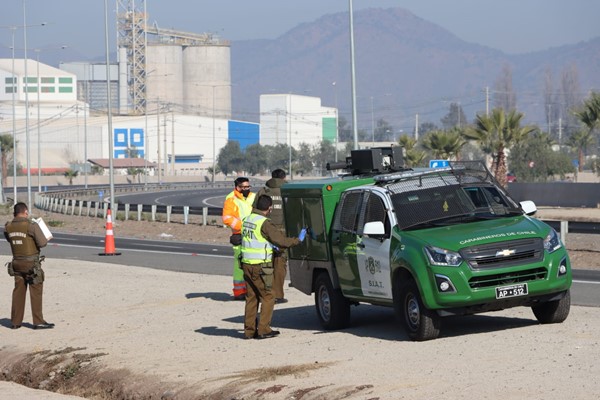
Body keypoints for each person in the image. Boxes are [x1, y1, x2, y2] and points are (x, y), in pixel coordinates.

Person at [240, 195, 306, 339]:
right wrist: (298, 240)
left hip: (246, 264)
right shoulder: (264, 223)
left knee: (251, 297)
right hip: (260, 266)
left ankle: (249, 331)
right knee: (268, 296)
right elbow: (281, 241)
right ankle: (264, 329)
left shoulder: (247, 220)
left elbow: (254, 239)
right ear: (269, 208)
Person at [4, 202, 54, 330]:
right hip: (31, 264)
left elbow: (10, 239)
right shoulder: (31, 226)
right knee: (35, 290)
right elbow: (42, 243)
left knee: (18, 291)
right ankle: (38, 321)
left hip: (16, 264)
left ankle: (15, 322)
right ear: (25, 212)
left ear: (14, 213)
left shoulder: (8, 227)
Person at [254, 168, 289, 304]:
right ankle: (278, 294)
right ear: (284, 177)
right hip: (282, 233)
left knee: (265, 265)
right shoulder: (288, 191)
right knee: (280, 264)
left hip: (265, 232)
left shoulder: (263, 191)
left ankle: (265, 293)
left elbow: (254, 210)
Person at [222, 177, 256, 300]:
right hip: (240, 235)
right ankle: (239, 291)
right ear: (237, 187)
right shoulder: (231, 199)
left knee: (254, 262)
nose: (247, 189)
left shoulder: (254, 197)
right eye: (244, 187)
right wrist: (243, 227)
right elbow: (227, 218)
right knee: (239, 265)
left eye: (248, 187)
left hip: (254, 234)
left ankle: (251, 290)